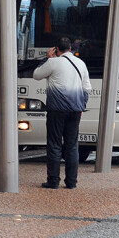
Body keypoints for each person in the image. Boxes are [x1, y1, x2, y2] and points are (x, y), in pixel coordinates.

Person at [33, 37, 91, 189]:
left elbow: (36, 75)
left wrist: (47, 59)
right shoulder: (81, 63)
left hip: (56, 110)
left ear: (56, 50)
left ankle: (53, 181)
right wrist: (82, 105)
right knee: (72, 145)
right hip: (75, 110)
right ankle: (71, 182)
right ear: (70, 48)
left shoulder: (53, 62)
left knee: (54, 145)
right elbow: (87, 88)